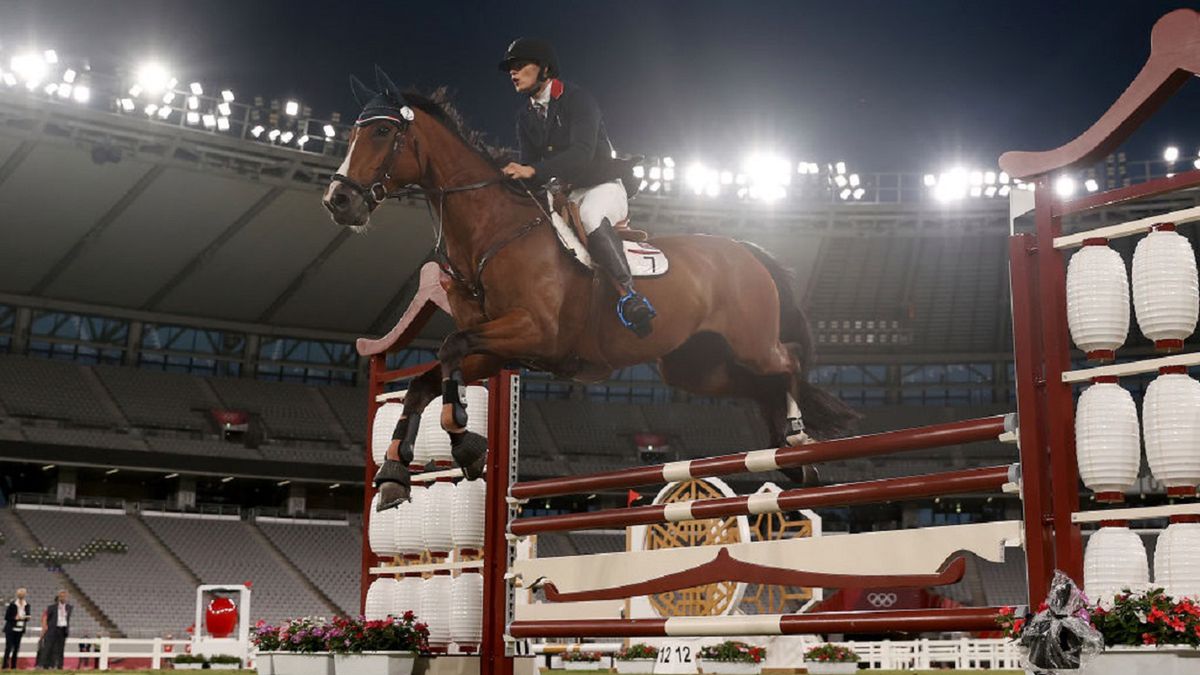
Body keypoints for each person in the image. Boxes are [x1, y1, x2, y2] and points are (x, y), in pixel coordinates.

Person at [498, 37, 657, 337]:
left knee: (591, 217)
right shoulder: (524, 116)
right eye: (510, 68)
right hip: (567, 194)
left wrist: (533, 170)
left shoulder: (577, 99)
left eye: (519, 66)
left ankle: (630, 296)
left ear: (544, 69)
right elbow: (531, 167)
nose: (513, 73)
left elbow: (581, 154)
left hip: (604, 186)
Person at [37, 590, 71, 670]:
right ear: (59, 597)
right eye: (61, 596)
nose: (63, 598)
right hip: (52, 630)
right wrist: (45, 628)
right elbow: (46, 618)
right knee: (47, 647)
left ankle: (59, 666)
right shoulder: (51, 607)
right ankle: (41, 665)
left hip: (63, 630)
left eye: (65, 596)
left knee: (60, 649)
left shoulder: (69, 608)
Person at [3, 587, 29, 669]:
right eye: (21, 593)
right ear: (18, 594)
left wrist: (26, 618)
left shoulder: (27, 605)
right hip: (11, 629)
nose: (22, 594)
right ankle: (5, 665)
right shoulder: (12, 604)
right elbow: (7, 617)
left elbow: (27, 616)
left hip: (20, 629)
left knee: (16, 648)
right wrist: (15, 618)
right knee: (9, 647)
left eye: (23, 593)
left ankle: (13, 666)